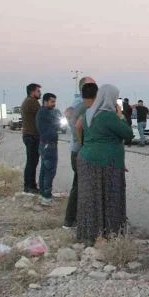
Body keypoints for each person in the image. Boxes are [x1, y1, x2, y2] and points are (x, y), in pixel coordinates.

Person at [76, 84, 135, 243]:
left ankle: (90, 235)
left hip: (87, 160)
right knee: (110, 198)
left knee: (92, 199)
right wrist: (121, 116)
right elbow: (128, 134)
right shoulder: (108, 116)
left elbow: (79, 129)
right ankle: (110, 234)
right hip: (105, 164)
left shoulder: (89, 113)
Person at [65, 80, 97, 229]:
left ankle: (73, 220)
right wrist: (85, 144)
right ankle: (73, 221)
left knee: (78, 186)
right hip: (81, 151)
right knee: (80, 187)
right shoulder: (85, 107)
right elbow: (76, 127)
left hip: (77, 150)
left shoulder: (77, 106)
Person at [35, 93, 60, 207]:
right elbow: (57, 124)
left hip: (45, 144)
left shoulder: (43, 112)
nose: (54, 104)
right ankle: (46, 197)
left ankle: (43, 193)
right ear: (45, 101)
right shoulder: (45, 112)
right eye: (52, 102)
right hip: (49, 145)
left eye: (54, 102)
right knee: (50, 171)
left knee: (45, 170)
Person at [21, 83, 42, 194]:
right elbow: (42, 114)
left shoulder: (28, 101)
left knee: (32, 162)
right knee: (31, 162)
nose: (40, 93)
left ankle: (31, 185)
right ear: (32, 92)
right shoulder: (32, 102)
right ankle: (29, 186)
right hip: (31, 136)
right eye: (38, 91)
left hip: (30, 135)